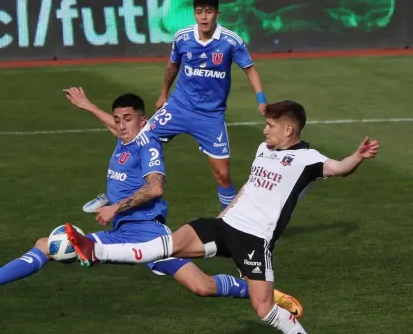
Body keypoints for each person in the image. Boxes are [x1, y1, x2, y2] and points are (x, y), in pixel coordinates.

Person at [0, 90, 302, 319]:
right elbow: (116, 128)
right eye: (117, 118)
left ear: (143, 121)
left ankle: (268, 294)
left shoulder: (148, 146)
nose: (120, 124)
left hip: (149, 237)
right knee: (47, 244)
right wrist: (87, 106)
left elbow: (155, 188)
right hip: (121, 233)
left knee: (204, 286)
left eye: (127, 118)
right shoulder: (127, 137)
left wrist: (116, 207)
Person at [66, 100, 380, 333]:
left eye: (270, 125)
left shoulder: (308, 160)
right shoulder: (263, 149)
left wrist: (358, 156)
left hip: (255, 240)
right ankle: (96, 250)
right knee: (166, 245)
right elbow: (249, 186)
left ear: (288, 129)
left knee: (264, 309)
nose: (264, 129)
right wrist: (225, 213)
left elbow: (340, 168)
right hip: (225, 224)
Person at [83, 0, 267, 214]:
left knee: (223, 174)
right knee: (137, 138)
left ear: (217, 13)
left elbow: (250, 69)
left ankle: (233, 222)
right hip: (178, 108)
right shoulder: (183, 38)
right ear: (194, 14)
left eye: (208, 12)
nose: (204, 17)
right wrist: (163, 95)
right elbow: (172, 67)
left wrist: (261, 100)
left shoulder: (230, 41)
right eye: (199, 12)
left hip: (210, 116)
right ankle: (112, 194)